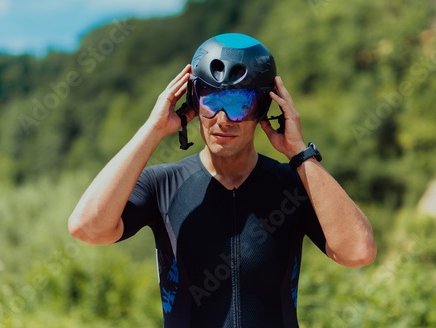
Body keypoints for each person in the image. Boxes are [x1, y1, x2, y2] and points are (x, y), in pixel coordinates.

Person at [68, 33, 377, 327]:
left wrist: (299, 154)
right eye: (211, 101)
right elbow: (87, 228)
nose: (223, 119)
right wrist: (154, 128)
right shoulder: (162, 184)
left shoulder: (293, 185)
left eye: (239, 103)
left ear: (264, 108)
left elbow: (358, 253)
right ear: (192, 102)